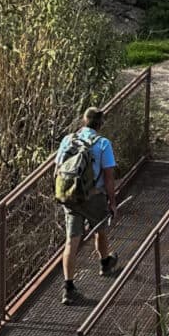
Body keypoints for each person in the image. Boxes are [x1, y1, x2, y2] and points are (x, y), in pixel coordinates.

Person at [56, 106, 119, 305]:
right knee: (100, 229)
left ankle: (68, 287)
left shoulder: (68, 140)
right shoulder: (103, 144)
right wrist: (112, 201)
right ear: (100, 124)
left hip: (71, 197)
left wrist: (63, 194)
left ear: (84, 121)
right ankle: (104, 263)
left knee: (71, 241)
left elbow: (57, 169)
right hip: (94, 197)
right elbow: (109, 177)